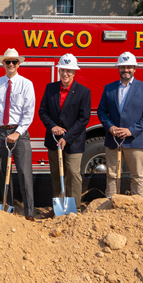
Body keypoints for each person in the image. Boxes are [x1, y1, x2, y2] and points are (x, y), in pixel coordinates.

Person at [96, 52, 143, 198]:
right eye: (123, 67)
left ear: (135, 68)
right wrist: (110, 127)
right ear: (118, 68)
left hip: (134, 140)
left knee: (137, 175)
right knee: (111, 174)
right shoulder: (109, 88)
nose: (126, 70)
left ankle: (138, 204)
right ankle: (111, 201)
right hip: (113, 139)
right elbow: (101, 111)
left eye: (129, 67)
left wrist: (130, 130)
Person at [38, 54, 91, 218]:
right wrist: (53, 126)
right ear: (59, 70)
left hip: (73, 141)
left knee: (73, 175)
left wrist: (66, 137)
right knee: (56, 174)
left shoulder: (83, 92)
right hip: (53, 140)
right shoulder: (50, 88)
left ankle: (74, 209)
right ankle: (57, 209)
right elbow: (42, 111)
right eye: (62, 70)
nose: (65, 74)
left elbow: (84, 119)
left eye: (69, 71)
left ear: (74, 72)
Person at [0, 48, 36, 221]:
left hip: (19, 133)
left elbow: (29, 113)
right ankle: (7, 208)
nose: (10, 64)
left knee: (24, 172)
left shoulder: (26, 84)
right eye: (7, 62)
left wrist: (17, 132)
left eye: (14, 62)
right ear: (2, 63)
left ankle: (29, 212)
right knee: (3, 172)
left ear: (18, 64)